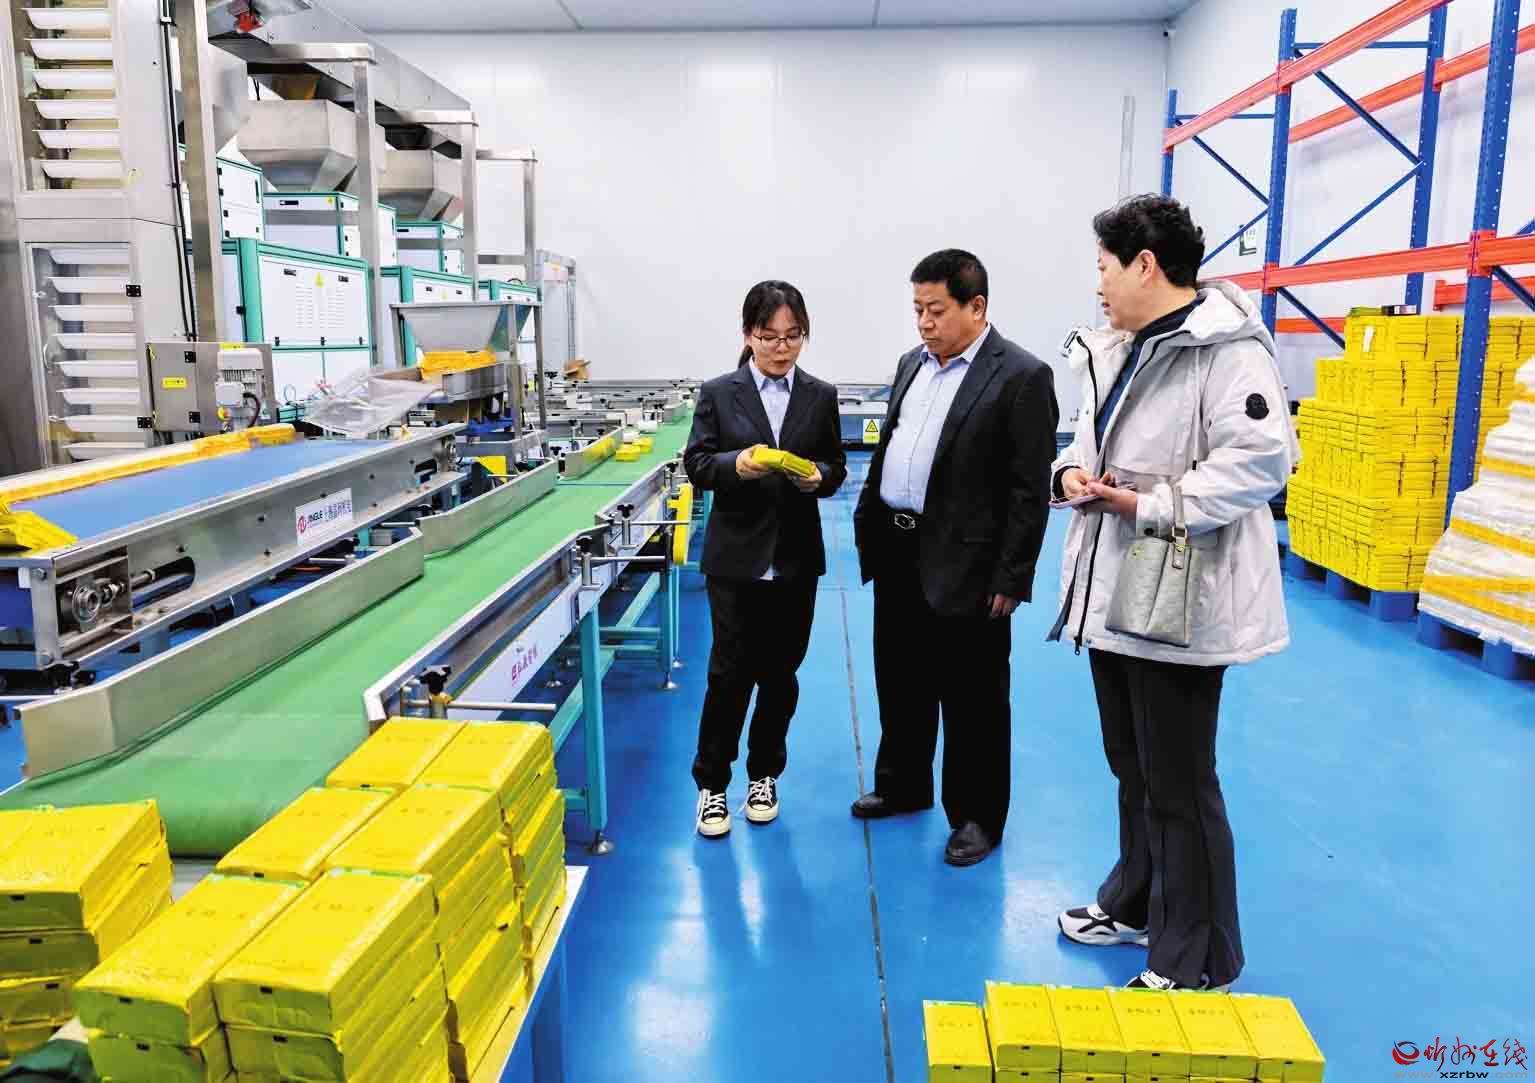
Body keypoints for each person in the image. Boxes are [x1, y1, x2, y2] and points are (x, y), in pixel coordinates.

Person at [1049, 195, 1298, 990]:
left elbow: (1261, 461)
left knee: (1180, 778)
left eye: (1103, 267)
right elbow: (1088, 437)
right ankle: (1135, 904)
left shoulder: (1226, 352)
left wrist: (1150, 504)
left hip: (1182, 596)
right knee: (1133, 763)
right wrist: (1071, 472)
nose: (1097, 284)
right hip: (1115, 588)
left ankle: (1198, 956)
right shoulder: (1118, 346)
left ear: (1144, 265)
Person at [852, 249, 1059, 867]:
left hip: (970, 564)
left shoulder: (1021, 376)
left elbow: (1028, 491)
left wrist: (1013, 576)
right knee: (900, 677)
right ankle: (903, 784)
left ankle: (976, 816)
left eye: (936, 310)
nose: (924, 322)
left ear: (977, 306)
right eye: (917, 309)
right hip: (898, 548)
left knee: (974, 696)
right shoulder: (910, 365)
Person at [682, 280, 847, 839]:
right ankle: (712, 783)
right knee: (729, 674)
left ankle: (764, 775)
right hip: (735, 560)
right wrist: (736, 465)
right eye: (769, 336)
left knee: (780, 675)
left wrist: (819, 477)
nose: (782, 348)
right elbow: (698, 464)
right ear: (747, 335)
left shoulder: (820, 395)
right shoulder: (718, 392)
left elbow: (835, 465)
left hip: (795, 560)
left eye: (793, 337)